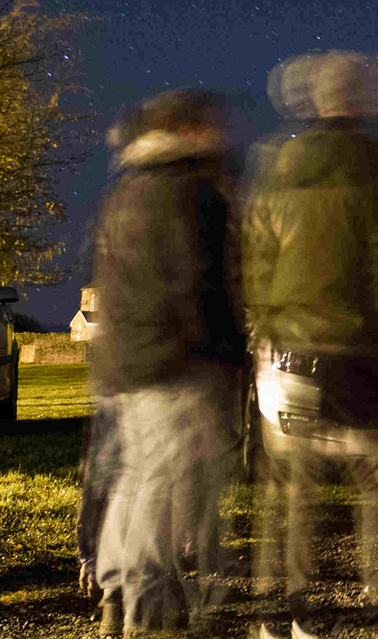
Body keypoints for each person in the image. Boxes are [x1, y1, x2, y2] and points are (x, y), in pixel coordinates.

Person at [244, 51, 378, 639]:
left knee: (292, 484)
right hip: (353, 343)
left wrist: (266, 323)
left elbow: (256, 254)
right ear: (361, 95)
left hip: (288, 348)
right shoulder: (372, 159)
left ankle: (290, 615)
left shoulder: (278, 162)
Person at [90, 89, 247, 637]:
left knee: (137, 481)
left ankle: (117, 594)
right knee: (160, 491)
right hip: (176, 363)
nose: (222, 133)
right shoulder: (190, 192)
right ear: (188, 130)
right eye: (210, 124)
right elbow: (199, 285)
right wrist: (227, 357)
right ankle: (148, 612)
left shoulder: (129, 189)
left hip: (128, 364)